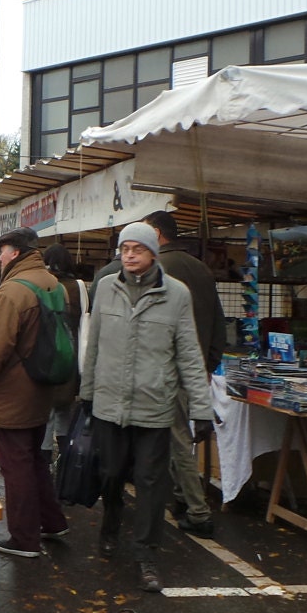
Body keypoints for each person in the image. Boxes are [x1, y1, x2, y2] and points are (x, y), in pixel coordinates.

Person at [80, 222, 214, 593]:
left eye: (138, 249)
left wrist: (200, 408)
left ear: (154, 252)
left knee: (153, 482)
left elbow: (188, 352)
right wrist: (87, 394)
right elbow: (94, 346)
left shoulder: (177, 294)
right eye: (125, 249)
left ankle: (146, 554)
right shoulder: (106, 287)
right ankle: (111, 521)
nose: (130, 256)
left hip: (155, 406)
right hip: (109, 403)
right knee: (110, 474)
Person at [0, 226, 71, 558]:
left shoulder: (11, 292)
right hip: (42, 385)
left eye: (0, 252)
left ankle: (24, 538)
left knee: (15, 466)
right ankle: (52, 521)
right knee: (34, 459)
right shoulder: (52, 284)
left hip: (11, 391)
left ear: (14, 252)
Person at [142, 210, 226, 539]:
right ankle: (180, 497)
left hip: (166, 367)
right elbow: (219, 322)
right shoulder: (202, 269)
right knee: (177, 436)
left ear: (158, 234)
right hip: (195, 366)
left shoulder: (158, 268)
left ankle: (197, 509)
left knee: (177, 439)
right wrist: (208, 364)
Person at [40, 244, 86, 451]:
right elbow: (86, 323)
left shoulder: (42, 285)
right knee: (64, 409)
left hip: (46, 354)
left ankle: (46, 459)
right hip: (72, 354)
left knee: (46, 410)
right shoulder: (79, 286)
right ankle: (65, 457)